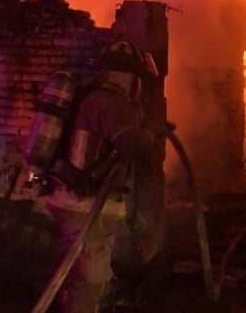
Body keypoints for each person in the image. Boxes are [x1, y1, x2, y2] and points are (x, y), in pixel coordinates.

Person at [40, 40, 167, 313]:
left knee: (81, 267)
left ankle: (72, 305)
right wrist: (153, 132)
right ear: (129, 76)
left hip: (69, 195)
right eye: (139, 79)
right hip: (84, 204)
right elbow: (133, 145)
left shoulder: (91, 97)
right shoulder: (112, 103)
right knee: (91, 278)